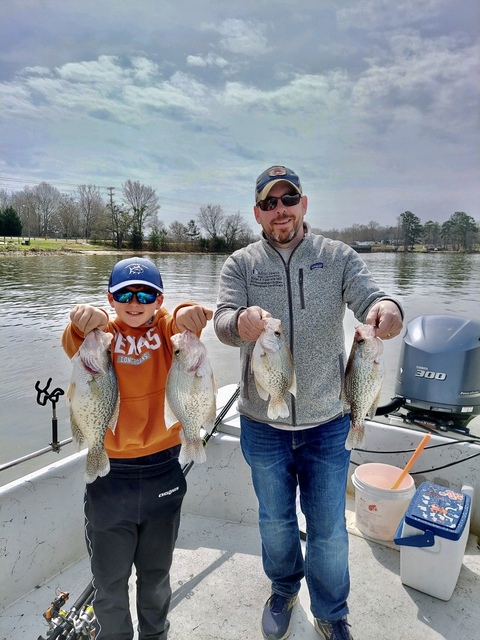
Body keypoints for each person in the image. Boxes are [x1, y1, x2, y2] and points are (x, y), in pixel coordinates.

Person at [213, 166, 403, 640]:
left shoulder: (338, 256)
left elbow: (373, 300)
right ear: (258, 212)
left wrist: (390, 312)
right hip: (262, 423)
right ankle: (283, 589)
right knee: (274, 521)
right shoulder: (240, 264)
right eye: (269, 203)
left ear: (304, 204)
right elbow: (221, 321)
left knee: (329, 530)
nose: (281, 210)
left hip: (328, 422)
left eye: (288, 199)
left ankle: (332, 612)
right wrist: (242, 323)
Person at [62, 256, 212, 640]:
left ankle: (155, 635)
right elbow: (73, 338)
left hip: (164, 469)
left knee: (156, 579)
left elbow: (181, 321)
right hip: (110, 477)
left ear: (158, 298)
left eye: (145, 293)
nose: (135, 301)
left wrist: (189, 312)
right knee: (109, 584)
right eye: (123, 293)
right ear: (110, 299)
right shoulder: (102, 336)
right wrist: (84, 319)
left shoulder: (165, 331)